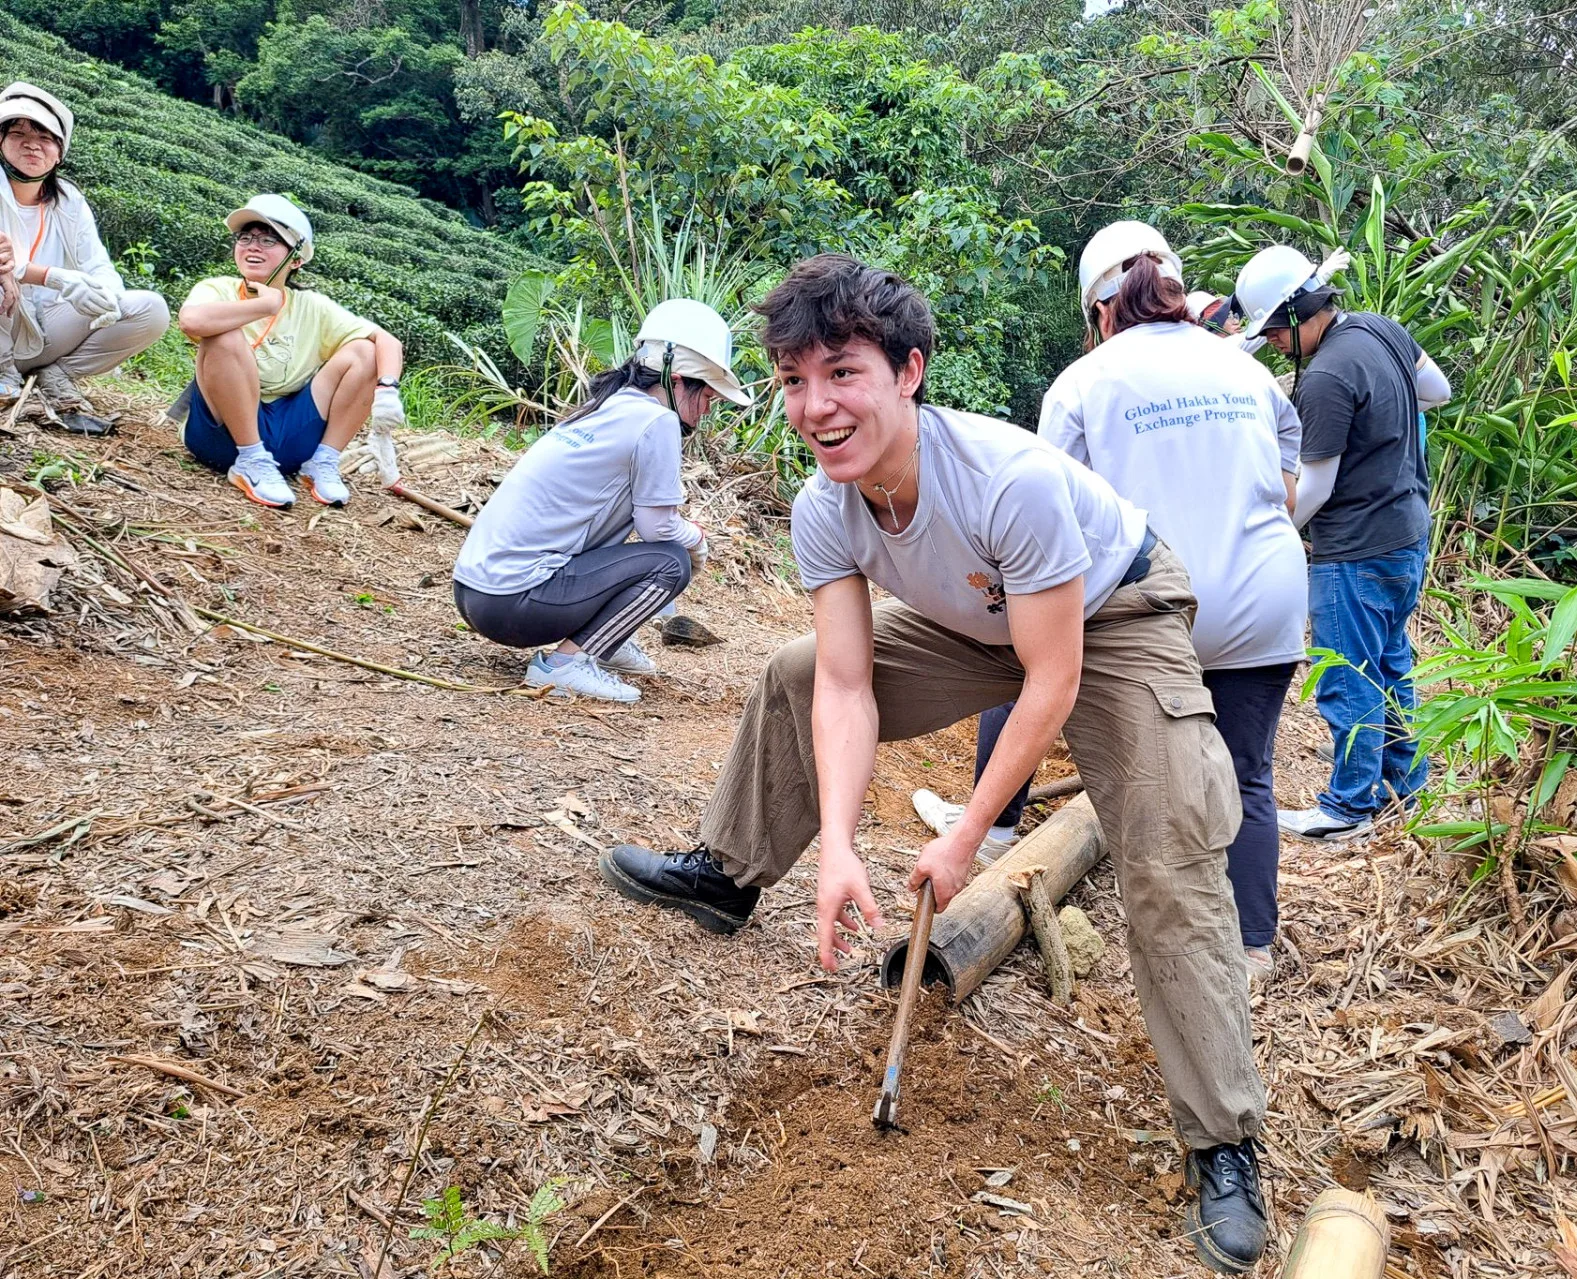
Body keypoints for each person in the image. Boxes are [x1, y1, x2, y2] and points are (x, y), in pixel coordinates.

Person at [597, 255, 1272, 1273]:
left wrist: (965, 837)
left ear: (909, 371)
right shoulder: (826, 507)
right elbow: (843, 682)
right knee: (789, 673)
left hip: (1113, 615)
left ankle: (1223, 1140)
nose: (815, 405)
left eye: (842, 373)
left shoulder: (1010, 481)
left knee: (1169, 853)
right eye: (792, 380)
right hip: (985, 615)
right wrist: (836, 846)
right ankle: (731, 872)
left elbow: (1050, 679)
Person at [1038, 221, 1307, 982]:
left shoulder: (1083, 384)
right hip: (1264, 600)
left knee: (1152, 775)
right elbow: (1286, 488)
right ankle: (1253, 947)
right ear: (1177, 293)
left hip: (1159, 608)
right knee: (1248, 772)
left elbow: (1051, 517)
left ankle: (1177, 952)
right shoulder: (1245, 371)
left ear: (1099, 312)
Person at [1230, 243, 1452, 842]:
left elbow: (1316, 488)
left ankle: (1348, 806)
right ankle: (1407, 788)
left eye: (1276, 330)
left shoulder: (1326, 377)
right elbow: (1438, 390)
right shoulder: (1380, 331)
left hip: (1354, 546)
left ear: (1302, 312)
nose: (1273, 341)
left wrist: (1265, 541)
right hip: (1406, 532)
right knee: (1390, 664)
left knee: (1348, 674)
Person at [451, 299, 750, 702]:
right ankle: (565, 665)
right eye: (709, 397)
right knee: (671, 561)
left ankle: (605, 639)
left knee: (651, 554)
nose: (708, 409)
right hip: (513, 604)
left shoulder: (609, 404)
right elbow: (657, 527)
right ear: (677, 380)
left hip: (474, 592)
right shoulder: (656, 420)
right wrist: (698, 539)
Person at [175, 194, 407, 510]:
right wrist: (265, 304)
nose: (253, 246)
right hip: (220, 435)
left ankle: (323, 463)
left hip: (290, 436)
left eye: (269, 240)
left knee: (365, 352)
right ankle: (250, 459)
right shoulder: (217, 289)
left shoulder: (312, 307)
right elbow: (190, 321)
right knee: (224, 335)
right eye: (246, 237)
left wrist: (388, 389)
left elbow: (388, 341)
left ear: (295, 259)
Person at [0, 81, 170, 425]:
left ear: (60, 152)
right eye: (18, 133)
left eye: (46, 138)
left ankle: (56, 374)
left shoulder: (69, 200)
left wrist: (102, 295)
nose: (33, 144)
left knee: (150, 310)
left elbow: (97, 265)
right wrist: (51, 276)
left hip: (45, 328)